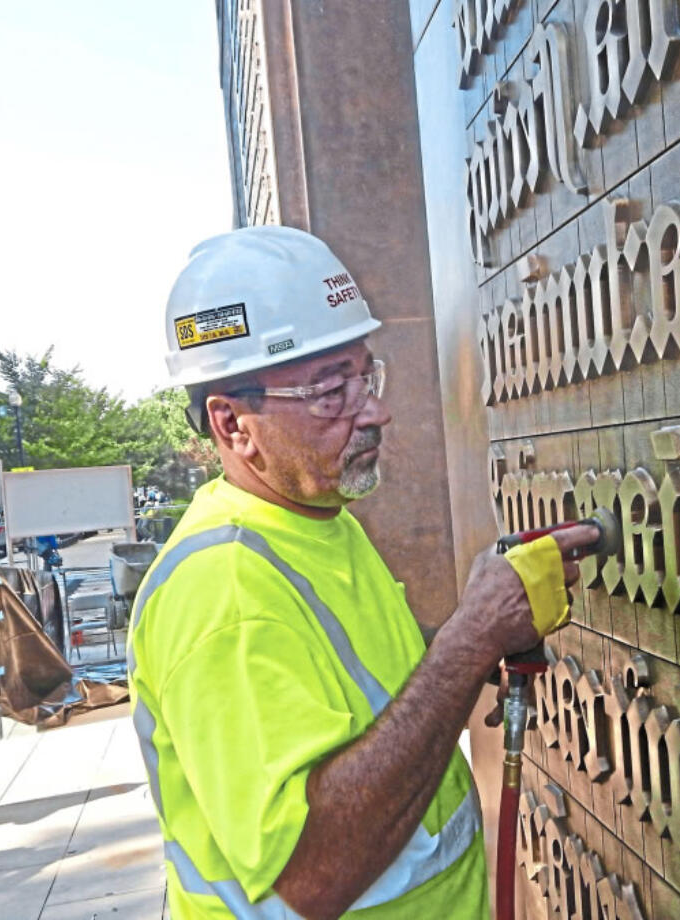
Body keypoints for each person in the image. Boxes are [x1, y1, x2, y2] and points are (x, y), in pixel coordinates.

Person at [127, 225, 592, 919]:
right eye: (328, 392)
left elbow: (360, 702)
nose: (375, 410)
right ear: (232, 425)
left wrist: (477, 631)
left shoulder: (317, 521)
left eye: (364, 376)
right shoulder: (224, 591)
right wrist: (469, 641)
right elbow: (311, 873)